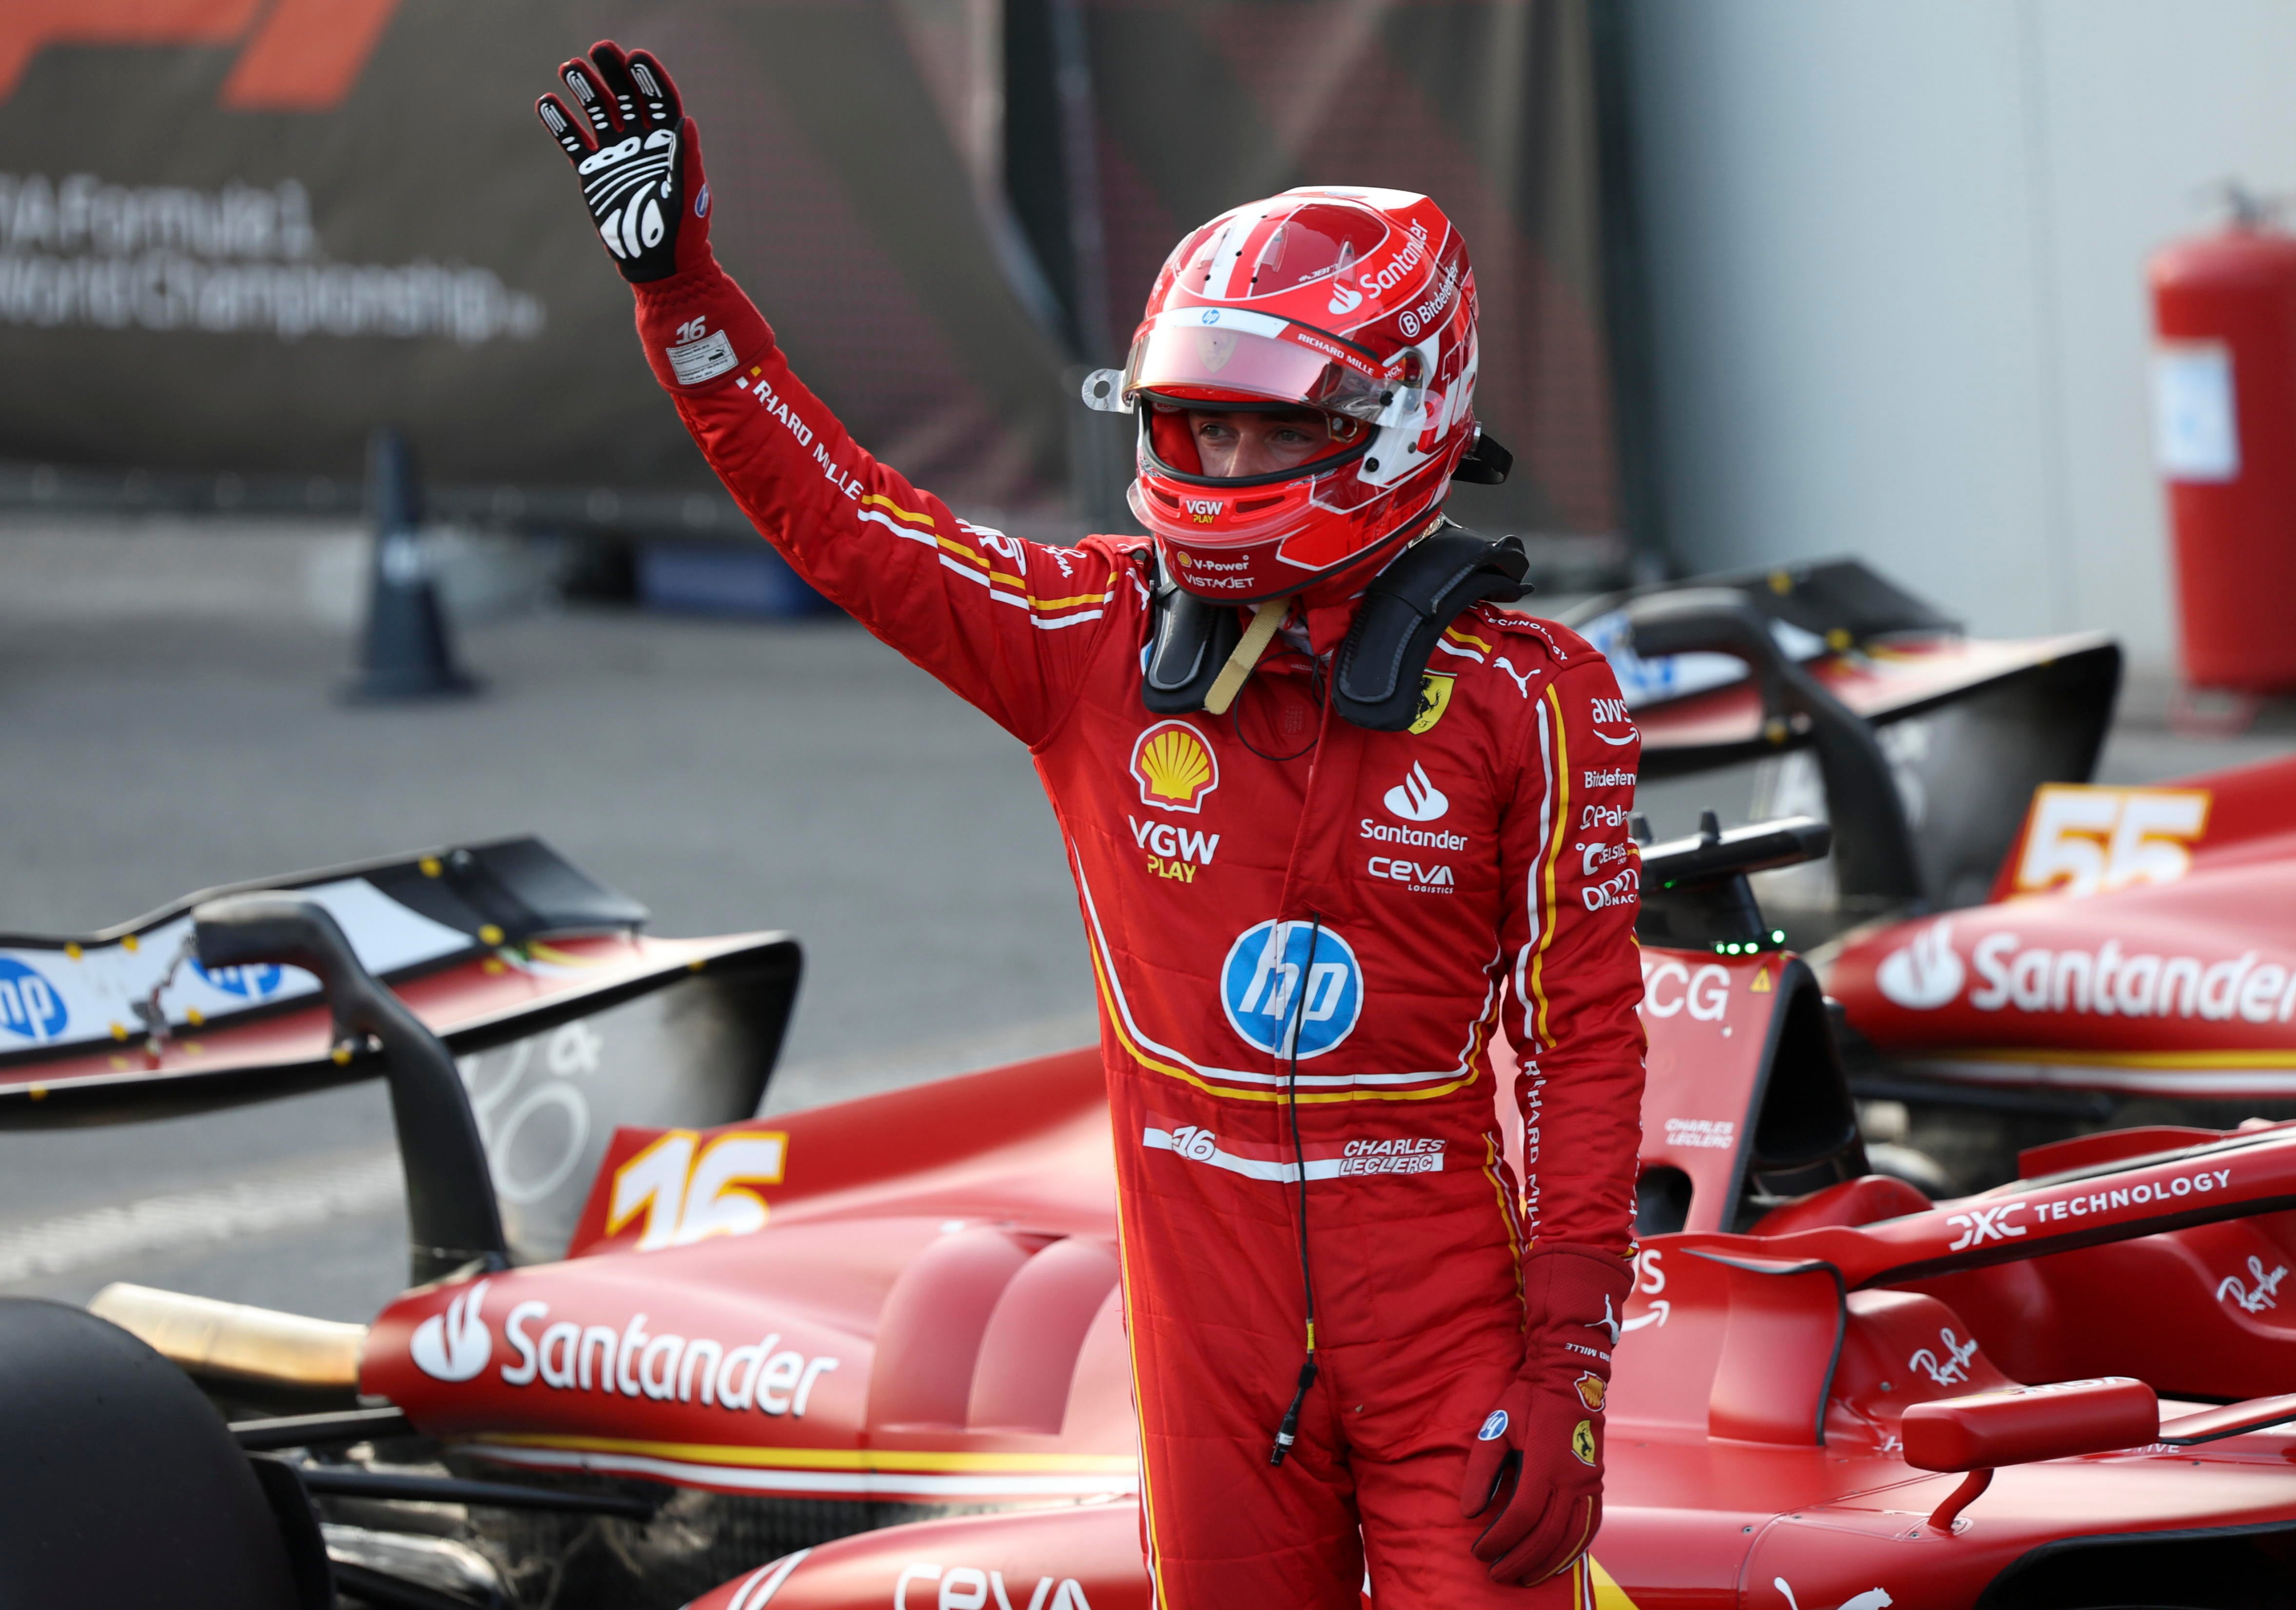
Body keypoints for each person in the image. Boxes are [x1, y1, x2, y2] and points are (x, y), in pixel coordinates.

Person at [537, 41, 1647, 1608]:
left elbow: (1590, 1046)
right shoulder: (1089, 639)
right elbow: (848, 523)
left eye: (1273, 429)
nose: (1227, 464)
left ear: (1407, 418)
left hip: (1445, 1319)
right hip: (1207, 1346)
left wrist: (1572, 1371)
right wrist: (683, 298)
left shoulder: (1535, 699)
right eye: (1199, 427)